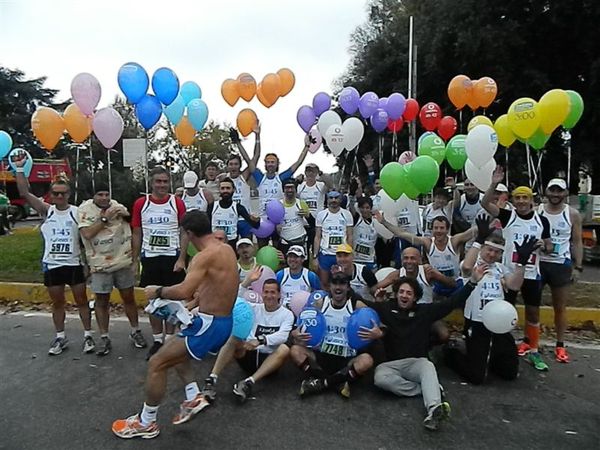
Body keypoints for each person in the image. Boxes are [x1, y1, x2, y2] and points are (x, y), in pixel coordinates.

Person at [112, 211, 238, 439]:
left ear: (189, 233)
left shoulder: (204, 256)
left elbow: (184, 290)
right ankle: (193, 396)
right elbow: (212, 288)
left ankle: (146, 422)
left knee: (157, 363)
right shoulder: (226, 249)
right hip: (219, 321)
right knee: (175, 348)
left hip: (210, 325)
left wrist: (157, 291)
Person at [362, 270, 486, 431]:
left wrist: (472, 282)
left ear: (415, 297)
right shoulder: (385, 308)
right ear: (396, 294)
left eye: (409, 293)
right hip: (391, 365)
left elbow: (453, 302)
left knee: (428, 367)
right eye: (401, 292)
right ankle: (427, 388)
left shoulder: (425, 311)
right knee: (379, 378)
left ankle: (434, 410)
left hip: (417, 363)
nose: (404, 296)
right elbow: (360, 302)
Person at [13, 154, 92, 355]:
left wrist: (87, 263)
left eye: (62, 194)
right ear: (51, 195)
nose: (58, 197)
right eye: (55, 194)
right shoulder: (47, 211)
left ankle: (88, 335)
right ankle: (60, 337)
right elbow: (24, 192)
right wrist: (20, 169)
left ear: (68, 195)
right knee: (58, 303)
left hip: (73, 263)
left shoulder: (77, 212)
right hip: (53, 264)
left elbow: (86, 237)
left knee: (81, 301)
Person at [444, 215, 536, 384]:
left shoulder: (501, 268)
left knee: (509, 373)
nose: (492, 254)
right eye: (489, 250)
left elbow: (514, 285)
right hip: (477, 322)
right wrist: (479, 239)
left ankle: (491, 357)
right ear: (482, 249)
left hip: (499, 323)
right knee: (476, 377)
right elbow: (465, 267)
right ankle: (452, 354)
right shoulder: (473, 264)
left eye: (497, 252)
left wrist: (522, 263)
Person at [481, 166, 553, 371]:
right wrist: (494, 182)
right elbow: (485, 203)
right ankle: (500, 348)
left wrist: (544, 246)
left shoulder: (542, 220)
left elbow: (549, 246)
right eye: (517, 198)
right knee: (503, 312)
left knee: (533, 314)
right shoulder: (508, 216)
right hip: (509, 273)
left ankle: (533, 351)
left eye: (525, 198)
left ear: (531, 200)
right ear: (513, 200)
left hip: (531, 273)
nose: (521, 201)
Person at [200, 278, 294, 404]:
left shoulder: (287, 314)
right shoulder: (254, 308)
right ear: (262, 293)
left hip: (268, 360)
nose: (269, 296)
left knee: (284, 349)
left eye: (272, 292)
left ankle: (248, 383)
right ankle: (211, 379)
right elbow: (234, 299)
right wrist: (247, 281)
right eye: (266, 292)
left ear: (279, 295)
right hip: (247, 354)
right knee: (233, 338)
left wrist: (261, 340)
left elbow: (283, 335)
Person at [78, 184, 147, 355]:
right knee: (102, 302)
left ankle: (135, 331)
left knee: (129, 298)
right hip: (100, 264)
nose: (104, 198)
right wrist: (104, 219)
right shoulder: (85, 210)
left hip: (122, 261)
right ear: (93, 196)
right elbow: (86, 234)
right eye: (100, 194)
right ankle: (104, 337)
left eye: (106, 194)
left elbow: (132, 222)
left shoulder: (117, 207)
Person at [131, 166, 188, 359]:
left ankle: (170, 338)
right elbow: (137, 232)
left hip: (172, 258)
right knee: (154, 302)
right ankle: (157, 340)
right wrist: (135, 259)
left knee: (172, 299)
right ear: (151, 182)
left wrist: (181, 258)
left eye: (165, 181)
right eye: (158, 181)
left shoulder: (177, 203)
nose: (162, 185)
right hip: (151, 258)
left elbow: (184, 231)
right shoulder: (141, 203)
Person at [289, 271, 374, 399]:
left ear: (348, 287)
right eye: (335, 283)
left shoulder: (356, 305)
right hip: (322, 356)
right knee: (295, 351)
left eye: (342, 283)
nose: (338, 287)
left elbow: (374, 323)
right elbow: (304, 325)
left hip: (346, 358)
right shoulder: (321, 303)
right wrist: (295, 333)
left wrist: (377, 333)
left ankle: (321, 383)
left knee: (367, 360)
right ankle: (337, 382)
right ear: (329, 286)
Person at [374, 212, 473, 297]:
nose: (438, 231)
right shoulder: (428, 242)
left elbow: (472, 232)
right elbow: (402, 234)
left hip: (454, 283)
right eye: (436, 228)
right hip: (436, 284)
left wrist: (488, 218)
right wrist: (383, 222)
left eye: (442, 228)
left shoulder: (454, 241)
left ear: (447, 230)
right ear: (432, 229)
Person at [538, 178, 583, 363]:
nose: (555, 195)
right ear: (546, 192)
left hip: (560, 264)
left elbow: (577, 241)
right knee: (533, 306)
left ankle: (560, 344)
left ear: (565, 193)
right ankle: (531, 342)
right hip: (538, 263)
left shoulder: (572, 214)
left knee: (560, 307)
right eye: (552, 190)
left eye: (559, 191)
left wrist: (578, 267)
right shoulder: (537, 211)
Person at [251, 135, 310, 246]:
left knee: (278, 253)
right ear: (265, 164)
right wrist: (257, 137)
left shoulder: (281, 178)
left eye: (273, 162)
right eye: (268, 162)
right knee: (262, 249)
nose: (270, 164)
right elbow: (251, 161)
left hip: (278, 221)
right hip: (263, 221)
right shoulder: (260, 178)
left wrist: (306, 147)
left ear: (277, 164)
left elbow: (298, 163)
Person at [313, 190, 354, 288]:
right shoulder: (321, 215)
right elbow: (318, 236)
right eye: (331, 198)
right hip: (326, 254)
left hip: (342, 255)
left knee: (343, 282)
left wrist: (350, 254)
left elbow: (350, 236)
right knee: (324, 282)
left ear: (340, 199)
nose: (333, 200)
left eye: (336, 198)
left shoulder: (347, 214)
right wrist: (315, 256)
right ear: (327, 200)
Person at [207, 177, 260, 249]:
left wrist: (257, 220)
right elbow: (206, 227)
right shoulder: (212, 206)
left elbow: (255, 225)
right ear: (219, 190)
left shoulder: (238, 207)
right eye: (222, 188)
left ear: (233, 190)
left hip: (231, 246)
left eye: (228, 188)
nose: (225, 191)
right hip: (215, 245)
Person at [298, 163, 330, 258]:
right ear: (305, 172)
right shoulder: (300, 187)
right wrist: (296, 181)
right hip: (303, 224)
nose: (310, 173)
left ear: (316, 172)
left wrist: (321, 173)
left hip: (317, 224)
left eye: (313, 171)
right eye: (308, 171)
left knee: (317, 251)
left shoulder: (320, 185)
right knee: (305, 253)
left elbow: (330, 184)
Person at [278, 178, 310, 254]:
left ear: (296, 189)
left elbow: (309, 221)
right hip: (285, 241)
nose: (289, 190)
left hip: (300, 240)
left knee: (303, 264)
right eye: (287, 188)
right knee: (285, 264)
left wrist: (305, 215)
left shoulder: (301, 203)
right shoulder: (278, 204)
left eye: (292, 187)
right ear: (283, 190)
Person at [348, 196, 382, 270]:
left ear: (371, 208)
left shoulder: (376, 222)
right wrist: (352, 195)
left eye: (367, 208)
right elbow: (352, 208)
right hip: (356, 259)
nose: (365, 210)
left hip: (370, 260)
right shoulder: (356, 219)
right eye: (362, 208)